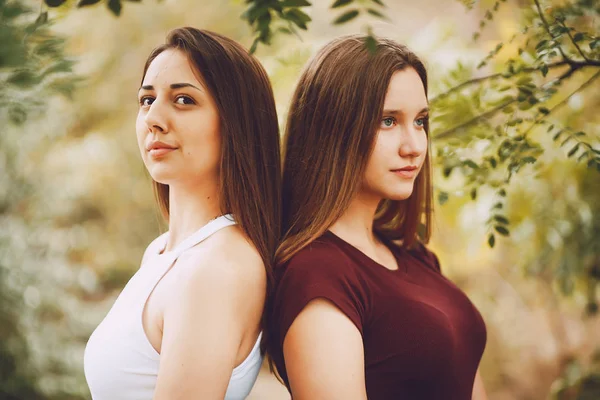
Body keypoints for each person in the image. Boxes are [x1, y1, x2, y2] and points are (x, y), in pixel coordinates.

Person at [267, 34, 488, 399]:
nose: (414, 146)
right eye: (388, 121)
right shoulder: (318, 276)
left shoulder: (413, 254)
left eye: (420, 121)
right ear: (332, 130)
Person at [84, 27, 281, 400]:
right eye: (146, 100)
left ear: (236, 125)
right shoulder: (163, 252)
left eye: (184, 100)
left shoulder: (215, 270)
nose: (153, 118)